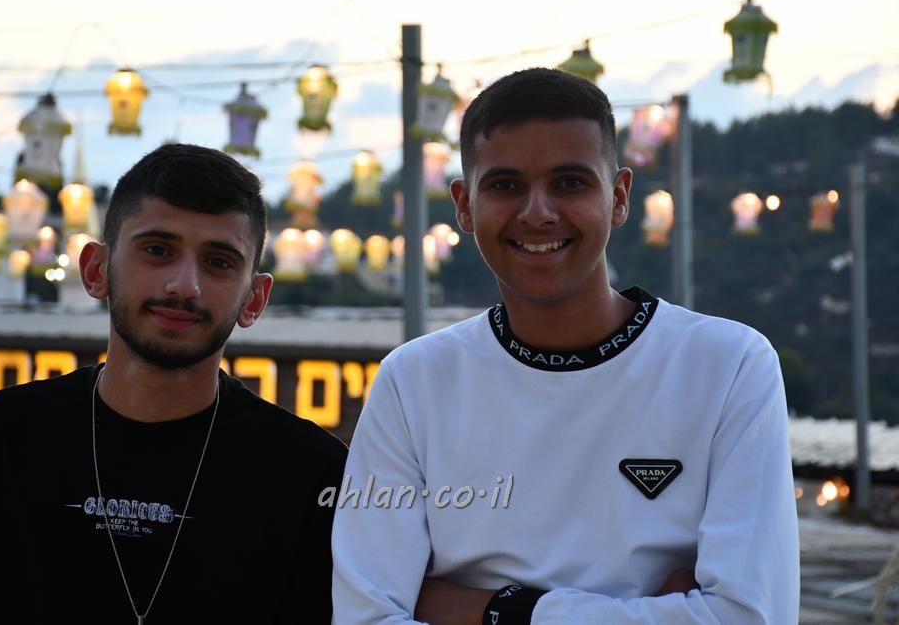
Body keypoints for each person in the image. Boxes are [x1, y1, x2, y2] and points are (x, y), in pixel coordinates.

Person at [331, 68, 799, 624]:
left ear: (618, 197)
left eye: (570, 183)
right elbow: (365, 617)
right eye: (505, 185)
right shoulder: (413, 383)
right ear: (463, 205)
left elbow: (749, 616)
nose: (538, 212)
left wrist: (499, 610)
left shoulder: (728, 366)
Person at [0, 144, 347, 624]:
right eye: (158, 250)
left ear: (255, 298)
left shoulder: (315, 476)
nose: (184, 285)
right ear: (95, 270)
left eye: (219, 261)